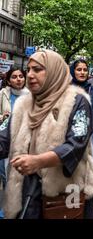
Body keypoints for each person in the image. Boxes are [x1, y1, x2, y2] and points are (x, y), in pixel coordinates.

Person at [0, 50, 93, 218]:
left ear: (54, 71)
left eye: (37, 70)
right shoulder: (22, 104)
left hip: (67, 193)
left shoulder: (77, 101)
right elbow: (3, 138)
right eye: (28, 70)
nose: (30, 75)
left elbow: (76, 143)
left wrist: (39, 161)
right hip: (29, 191)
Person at [0, 67, 29, 218]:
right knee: (5, 176)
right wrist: (2, 117)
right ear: (9, 80)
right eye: (14, 77)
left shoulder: (31, 96)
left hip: (23, 142)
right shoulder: (3, 94)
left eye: (21, 76)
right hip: (5, 140)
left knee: (21, 178)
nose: (18, 79)